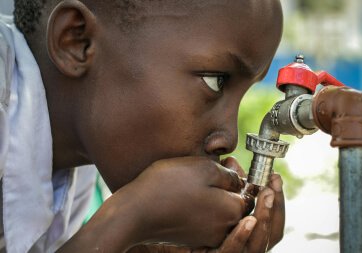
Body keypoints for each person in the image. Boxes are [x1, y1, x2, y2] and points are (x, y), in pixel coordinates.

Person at [0, 0, 285, 252]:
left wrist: (133, 242)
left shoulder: (75, 166)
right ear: (77, 41)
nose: (229, 138)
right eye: (215, 81)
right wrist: (127, 220)